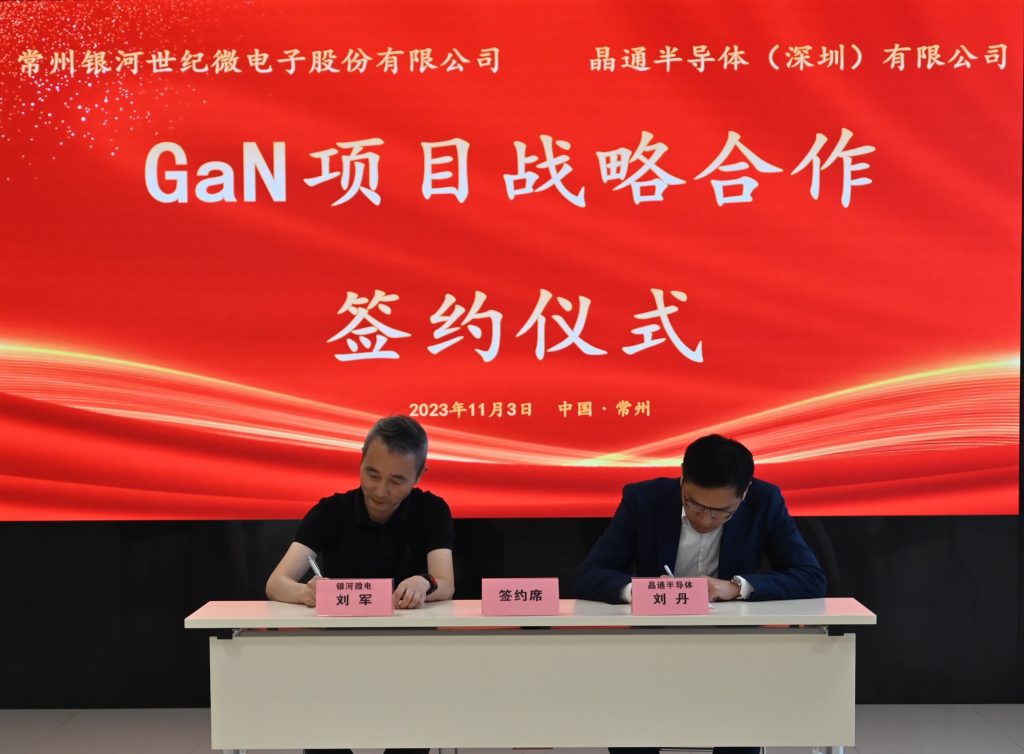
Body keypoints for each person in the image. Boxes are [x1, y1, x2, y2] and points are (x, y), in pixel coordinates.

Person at [576, 433, 826, 754]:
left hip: (733, 648)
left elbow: (810, 577)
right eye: (693, 504)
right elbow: (591, 574)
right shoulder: (644, 499)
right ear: (682, 477)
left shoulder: (765, 500)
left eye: (721, 511)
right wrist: (640, 591)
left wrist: (735, 587)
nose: (705, 519)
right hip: (651, 646)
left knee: (740, 733)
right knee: (632, 734)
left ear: (744, 494)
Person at [266, 414, 454, 754]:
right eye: (372, 474)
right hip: (338, 653)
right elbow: (277, 582)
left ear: (419, 475)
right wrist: (308, 593)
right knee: (323, 736)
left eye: (397, 480)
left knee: (410, 736)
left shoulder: (432, 510)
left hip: (410, 655)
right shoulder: (331, 511)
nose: (381, 491)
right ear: (361, 459)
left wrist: (423, 582)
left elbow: (445, 582)